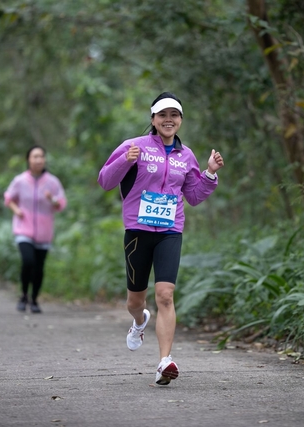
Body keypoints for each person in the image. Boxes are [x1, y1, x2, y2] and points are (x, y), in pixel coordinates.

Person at [98, 92, 224, 385]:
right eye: (163, 115)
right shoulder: (134, 147)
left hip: (170, 231)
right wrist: (123, 162)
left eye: (174, 115)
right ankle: (139, 320)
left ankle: (164, 361)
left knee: (165, 295)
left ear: (180, 120)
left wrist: (210, 174)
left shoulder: (186, 155)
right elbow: (105, 180)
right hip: (138, 231)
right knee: (135, 300)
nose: (169, 120)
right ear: (153, 120)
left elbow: (192, 196)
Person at [4, 146, 67, 314]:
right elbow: (8, 197)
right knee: (28, 261)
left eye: (41, 156)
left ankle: (34, 299)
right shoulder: (20, 180)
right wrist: (16, 210)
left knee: (39, 267)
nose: (39, 159)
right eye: (35, 156)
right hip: (23, 228)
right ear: (28, 160)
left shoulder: (52, 182)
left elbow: (61, 204)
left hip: (44, 232)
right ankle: (23, 295)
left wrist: (51, 199)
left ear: (45, 160)